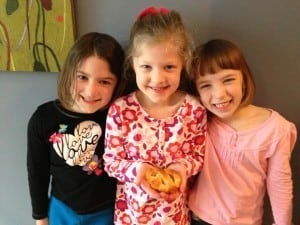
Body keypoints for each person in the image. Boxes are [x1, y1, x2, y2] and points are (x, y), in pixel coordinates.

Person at [103, 6, 207, 225]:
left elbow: (197, 157)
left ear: (183, 65)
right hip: (130, 217)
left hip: (175, 216)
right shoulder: (121, 110)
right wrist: (140, 170)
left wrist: (181, 168)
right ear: (133, 64)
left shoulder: (193, 110)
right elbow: (111, 162)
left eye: (169, 67)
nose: (158, 78)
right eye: (146, 67)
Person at [188, 39, 297, 225]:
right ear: (197, 92)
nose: (219, 94)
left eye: (228, 80)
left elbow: (279, 184)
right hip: (199, 218)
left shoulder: (276, 129)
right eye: (206, 85)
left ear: (244, 80)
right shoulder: (199, 121)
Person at [27, 32, 125, 225]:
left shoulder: (118, 116)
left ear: (117, 84)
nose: (91, 91)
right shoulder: (43, 118)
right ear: (69, 72)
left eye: (104, 81)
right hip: (62, 209)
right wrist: (40, 217)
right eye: (82, 77)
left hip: (108, 212)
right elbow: (37, 171)